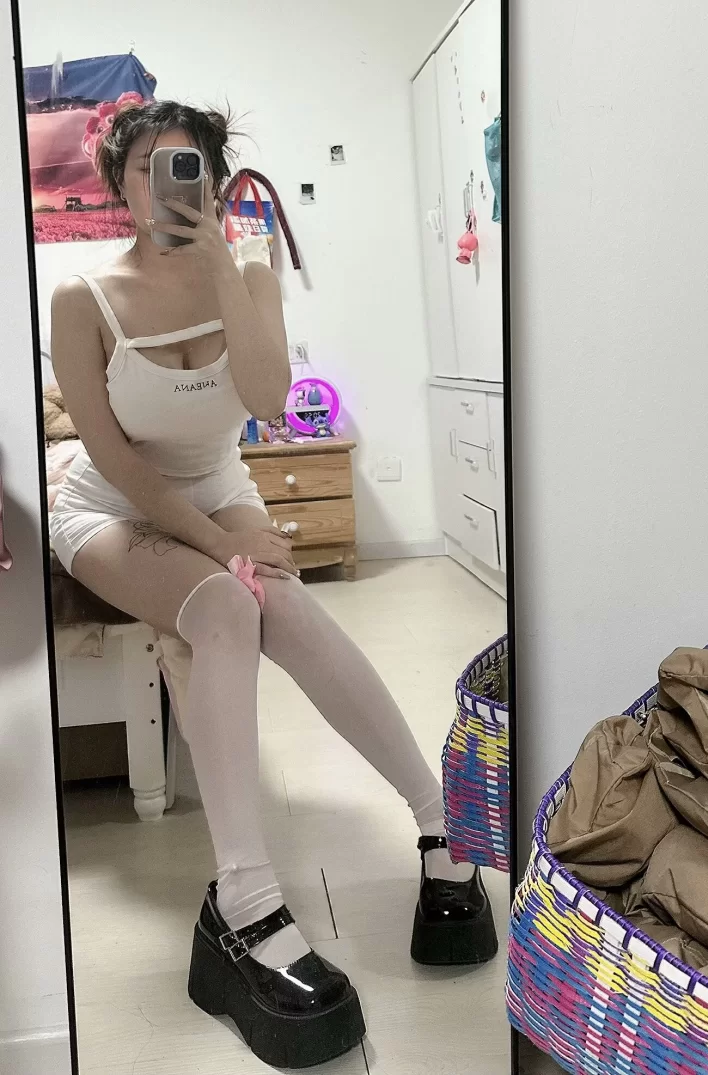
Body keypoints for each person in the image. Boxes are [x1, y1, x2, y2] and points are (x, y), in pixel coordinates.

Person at [49, 100, 497, 1070]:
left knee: (281, 602)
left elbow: (266, 402)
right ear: (120, 184)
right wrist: (219, 546)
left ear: (214, 181)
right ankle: (246, 901)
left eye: (187, 168)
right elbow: (114, 459)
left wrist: (222, 264)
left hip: (220, 483)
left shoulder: (249, 269)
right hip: (109, 506)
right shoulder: (81, 297)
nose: (166, 187)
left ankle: (440, 820)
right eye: (145, 169)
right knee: (223, 605)